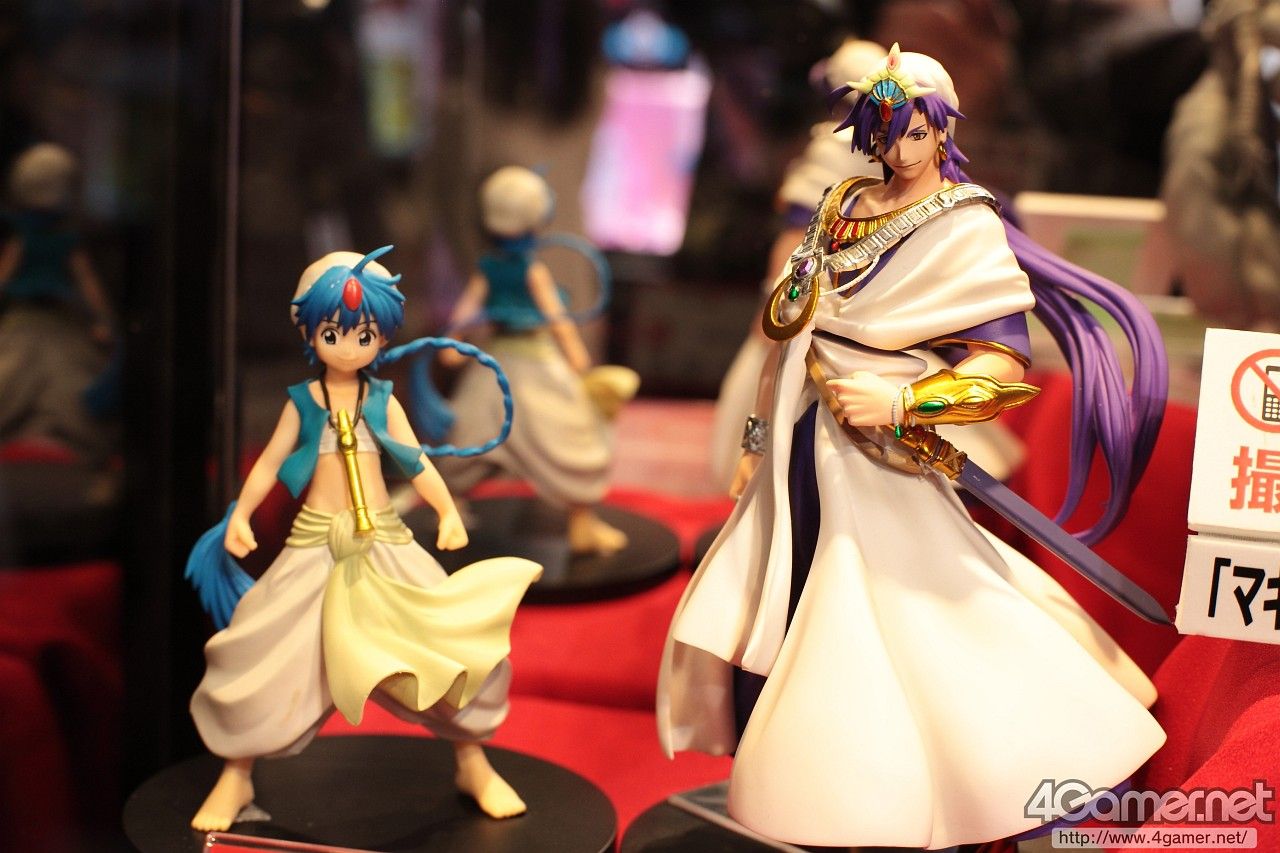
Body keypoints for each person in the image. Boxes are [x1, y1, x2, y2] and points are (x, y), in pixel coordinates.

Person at [658, 45, 1168, 849]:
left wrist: (901, 400)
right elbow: (786, 335)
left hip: (879, 457)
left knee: (899, 620)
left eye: (913, 131)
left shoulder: (964, 224)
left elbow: (1000, 369)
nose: (896, 148)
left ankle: (898, 795)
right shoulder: (843, 202)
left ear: (943, 129)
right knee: (774, 607)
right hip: (800, 437)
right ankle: (806, 790)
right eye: (882, 129)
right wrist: (757, 439)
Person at [186, 247, 541, 832]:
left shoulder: (382, 401)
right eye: (333, 333)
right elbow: (269, 464)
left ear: (382, 337)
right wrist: (243, 514)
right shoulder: (304, 403)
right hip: (314, 546)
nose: (349, 348)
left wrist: (446, 512)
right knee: (263, 651)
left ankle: (472, 761)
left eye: (364, 335)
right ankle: (237, 770)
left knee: (443, 646)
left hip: (384, 542)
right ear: (309, 332)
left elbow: (418, 463)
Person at [434, 166, 636, 555]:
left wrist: (453, 342)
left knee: (476, 431)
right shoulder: (525, 270)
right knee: (491, 432)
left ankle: (579, 520)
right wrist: (577, 356)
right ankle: (452, 509)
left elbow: (467, 311)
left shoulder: (501, 269)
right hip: (521, 363)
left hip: (502, 363)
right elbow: (556, 319)